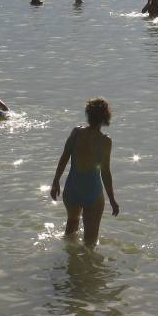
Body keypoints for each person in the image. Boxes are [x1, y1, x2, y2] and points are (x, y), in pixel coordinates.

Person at [50, 97, 119, 245]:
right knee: (90, 241)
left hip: (72, 189)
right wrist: (112, 199)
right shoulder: (105, 141)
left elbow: (64, 158)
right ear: (105, 118)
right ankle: (88, 267)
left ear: (88, 115)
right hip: (92, 191)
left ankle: (70, 262)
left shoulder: (76, 133)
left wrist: (55, 182)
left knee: (70, 230)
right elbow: (105, 172)